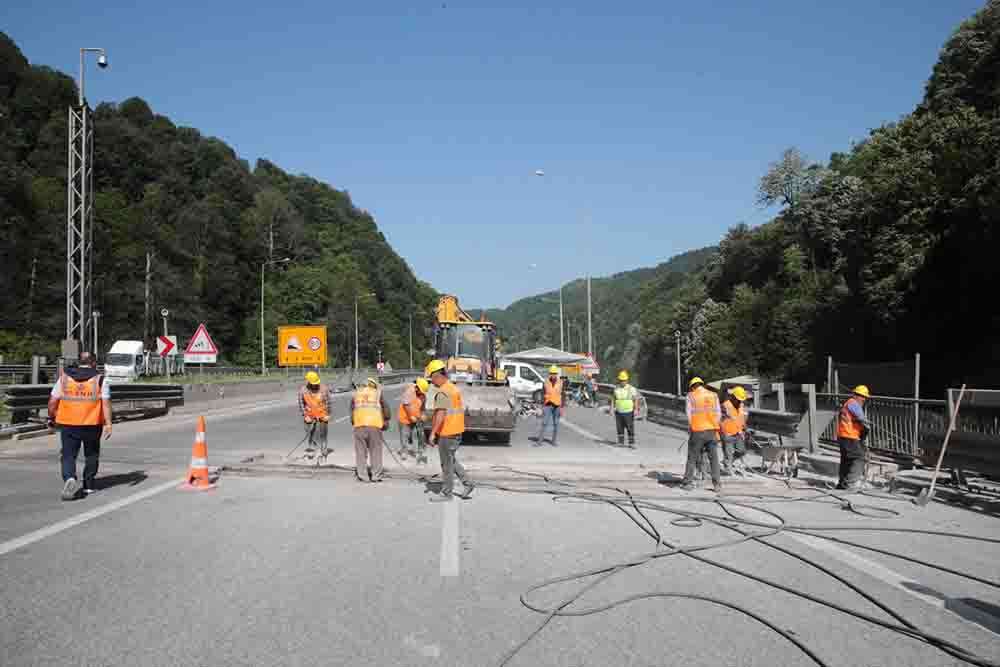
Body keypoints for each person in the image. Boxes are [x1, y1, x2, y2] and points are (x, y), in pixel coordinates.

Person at [47, 352, 112, 500]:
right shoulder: (100, 379)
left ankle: (69, 477)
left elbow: (52, 402)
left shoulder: (64, 378)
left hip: (68, 423)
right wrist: (108, 424)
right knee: (91, 454)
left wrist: (52, 417)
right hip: (92, 423)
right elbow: (106, 404)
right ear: (94, 363)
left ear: (79, 362)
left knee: (68, 454)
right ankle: (88, 485)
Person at [426, 359, 474, 501]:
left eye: (431, 378)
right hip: (456, 430)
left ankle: (447, 493)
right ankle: (468, 483)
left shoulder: (443, 392)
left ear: (436, 376)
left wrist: (433, 433)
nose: (431, 382)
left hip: (447, 432)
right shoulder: (452, 388)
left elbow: (441, 414)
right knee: (451, 460)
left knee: (446, 463)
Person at [681, 377, 722, 492]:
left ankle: (687, 483)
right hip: (712, 431)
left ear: (693, 386)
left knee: (692, 457)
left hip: (698, 430)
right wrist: (714, 426)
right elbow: (718, 414)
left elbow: (689, 414)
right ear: (701, 384)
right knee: (714, 458)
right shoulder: (714, 395)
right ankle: (717, 484)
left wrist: (691, 427)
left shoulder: (691, 396)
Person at [350, 377, 390, 482]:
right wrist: (386, 421)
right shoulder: (377, 393)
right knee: (376, 451)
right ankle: (376, 476)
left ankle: (363, 476)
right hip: (375, 425)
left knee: (360, 452)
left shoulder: (356, 393)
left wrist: (354, 422)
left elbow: (352, 410)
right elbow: (386, 410)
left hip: (359, 425)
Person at [837, 385, 871, 490]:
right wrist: (867, 425)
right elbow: (861, 418)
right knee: (859, 457)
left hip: (843, 435)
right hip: (849, 436)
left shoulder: (848, 403)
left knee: (846, 460)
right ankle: (850, 483)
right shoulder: (853, 403)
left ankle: (842, 484)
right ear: (857, 396)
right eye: (863, 397)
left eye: (865, 397)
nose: (864, 400)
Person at [397, 377, 430, 464]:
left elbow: (423, 407)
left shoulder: (422, 395)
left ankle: (418, 452)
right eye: (421, 391)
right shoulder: (409, 392)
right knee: (405, 435)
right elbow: (406, 405)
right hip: (405, 418)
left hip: (416, 418)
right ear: (417, 388)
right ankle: (404, 451)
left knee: (417, 435)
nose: (422, 393)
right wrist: (411, 416)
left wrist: (423, 414)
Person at [298, 371, 331, 456]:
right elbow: (301, 403)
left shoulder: (324, 389)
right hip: (310, 415)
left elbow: (328, 402)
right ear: (308, 382)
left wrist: (328, 414)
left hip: (322, 414)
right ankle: (313, 449)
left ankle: (323, 449)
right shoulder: (303, 390)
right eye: (313, 383)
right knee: (311, 433)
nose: (315, 385)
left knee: (323, 434)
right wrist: (305, 415)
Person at [720, 386, 749, 474]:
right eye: (738, 399)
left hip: (738, 432)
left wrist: (744, 427)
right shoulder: (725, 405)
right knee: (728, 453)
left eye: (741, 400)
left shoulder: (741, 405)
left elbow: (742, 417)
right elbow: (719, 419)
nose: (740, 401)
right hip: (727, 433)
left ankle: (727, 462)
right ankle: (727, 469)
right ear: (733, 397)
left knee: (742, 451)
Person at [536, 365, 564, 446]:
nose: (553, 375)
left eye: (555, 373)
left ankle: (554, 441)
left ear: (557, 374)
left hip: (557, 405)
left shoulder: (561, 382)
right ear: (549, 374)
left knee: (556, 424)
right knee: (544, 423)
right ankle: (539, 442)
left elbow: (563, 395)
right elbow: (542, 393)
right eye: (552, 373)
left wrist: (562, 407)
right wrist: (541, 406)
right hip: (547, 405)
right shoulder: (545, 382)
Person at [612, 371, 640, 447]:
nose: (622, 382)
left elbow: (636, 399)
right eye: (621, 380)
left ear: (627, 380)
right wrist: (612, 408)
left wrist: (636, 409)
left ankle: (631, 443)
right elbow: (613, 399)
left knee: (630, 427)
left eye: (624, 380)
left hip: (628, 411)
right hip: (618, 411)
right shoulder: (616, 389)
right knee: (619, 427)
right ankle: (620, 442)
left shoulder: (631, 389)